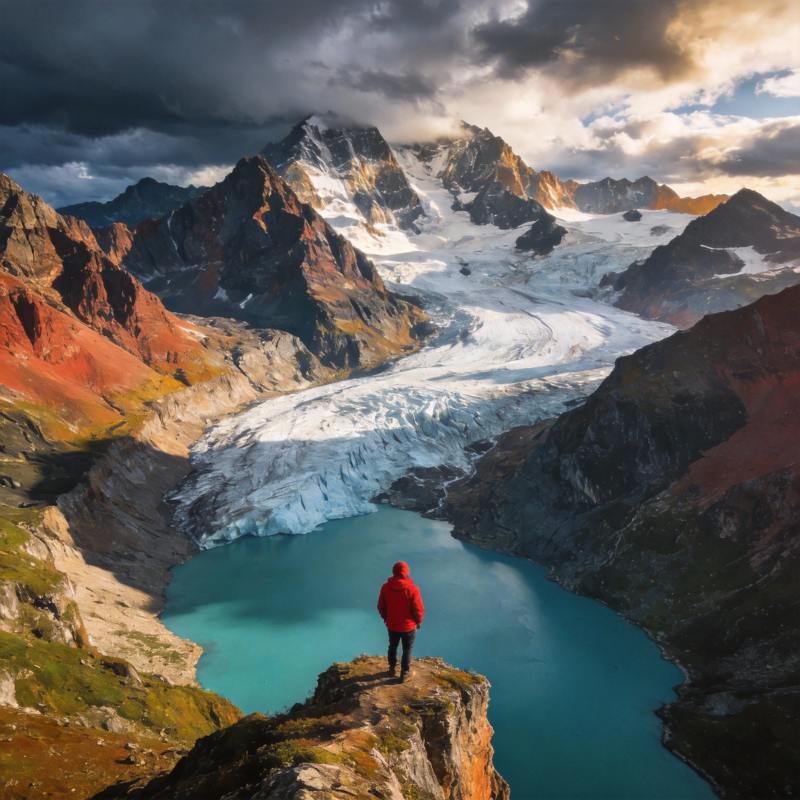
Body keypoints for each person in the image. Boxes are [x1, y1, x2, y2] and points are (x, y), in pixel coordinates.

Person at [377, 561, 424, 681]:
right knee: (407, 649)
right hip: (408, 626)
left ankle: (391, 669)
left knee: (393, 646)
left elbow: (381, 606)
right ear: (406, 572)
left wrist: (386, 618)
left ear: (394, 572)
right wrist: (418, 621)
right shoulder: (413, 589)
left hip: (392, 625)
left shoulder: (385, 587)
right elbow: (418, 609)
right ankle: (404, 674)